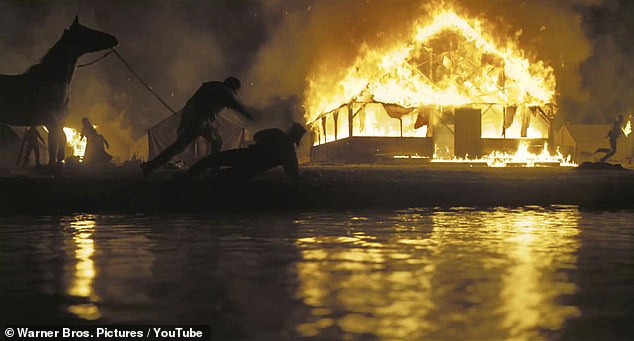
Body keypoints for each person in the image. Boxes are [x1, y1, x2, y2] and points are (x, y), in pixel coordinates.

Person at [141, 76, 253, 177]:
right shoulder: (225, 91)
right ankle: (150, 166)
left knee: (216, 141)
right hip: (199, 120)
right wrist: (250, 115)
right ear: (233, 87)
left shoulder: (211, 86)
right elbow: (236, 106)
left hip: (197, 119)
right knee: (180, 146)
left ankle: (215, 169)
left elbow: (195, 102)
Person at [178, 123, 306, 184]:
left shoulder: (277, 134)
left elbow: (257, 136)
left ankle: (186, 180)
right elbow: (293, 176)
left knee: (212, 161)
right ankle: (190, 182)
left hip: (246, 157)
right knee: (218, 171)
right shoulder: (289, 152)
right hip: (251, 167)